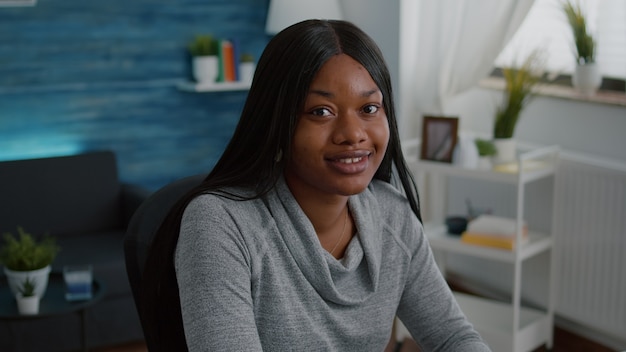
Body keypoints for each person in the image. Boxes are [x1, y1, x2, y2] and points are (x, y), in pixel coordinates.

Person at [140, 19, 491, 351]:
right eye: (321, 111)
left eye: (369, 108)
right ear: (277, 122)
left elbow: (452, 337)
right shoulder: (220, 223)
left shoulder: (391, 214)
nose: (353, 134)